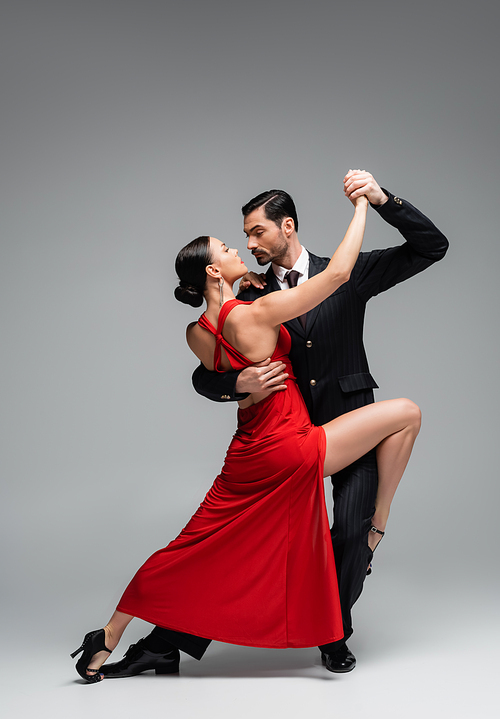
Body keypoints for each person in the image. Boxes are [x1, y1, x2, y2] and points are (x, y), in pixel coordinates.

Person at [71, 183, 421, 683]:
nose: (242, 249)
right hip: (289, 441)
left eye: (247, 237)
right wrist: (365, 203)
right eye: (230, 248)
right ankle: (378, 524)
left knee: (196, 547)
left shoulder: (197, 330)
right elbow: (339, 273)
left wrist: (237, 376)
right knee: (408, 411)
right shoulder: (253, 310)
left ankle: (110, 636)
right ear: (215, 270)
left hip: (247, 451)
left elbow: (208, 364)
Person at [190, 170, 449, 673]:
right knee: (240, 544)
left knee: (352, 531)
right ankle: (167, 639)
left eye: (256, 232)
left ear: (287, 226)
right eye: (242, 236)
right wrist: (234, 386)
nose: (248, 243)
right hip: (289, 439)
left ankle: (334, 630)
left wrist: (381, 199)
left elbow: (432, 246)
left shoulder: (347, 271)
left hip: (352, 423)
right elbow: (205, 372)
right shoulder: (247, 298)